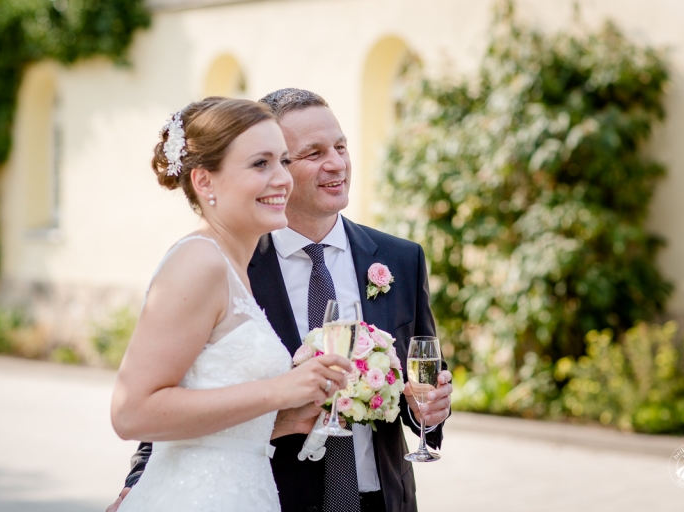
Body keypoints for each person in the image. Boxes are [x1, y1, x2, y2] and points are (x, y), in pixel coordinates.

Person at [108, 89, 453, 512]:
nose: (336, 163)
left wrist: (426, 411)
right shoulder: (219, 263)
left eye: (341, 146)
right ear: (205, 180)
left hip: (381, 499)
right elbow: (166, 391)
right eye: (308, 153)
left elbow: (421, 380)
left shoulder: (401, 258)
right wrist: (143, 481)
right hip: (272, 496)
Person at [109, 97, 352, 512]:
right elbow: (132, 412)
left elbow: (207, 409)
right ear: (205, 182)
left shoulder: (230, 262)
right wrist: (278, 389)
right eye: (260, 164)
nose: (282, 179)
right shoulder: (199, 262)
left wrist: (281, 422)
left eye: (282, 161)